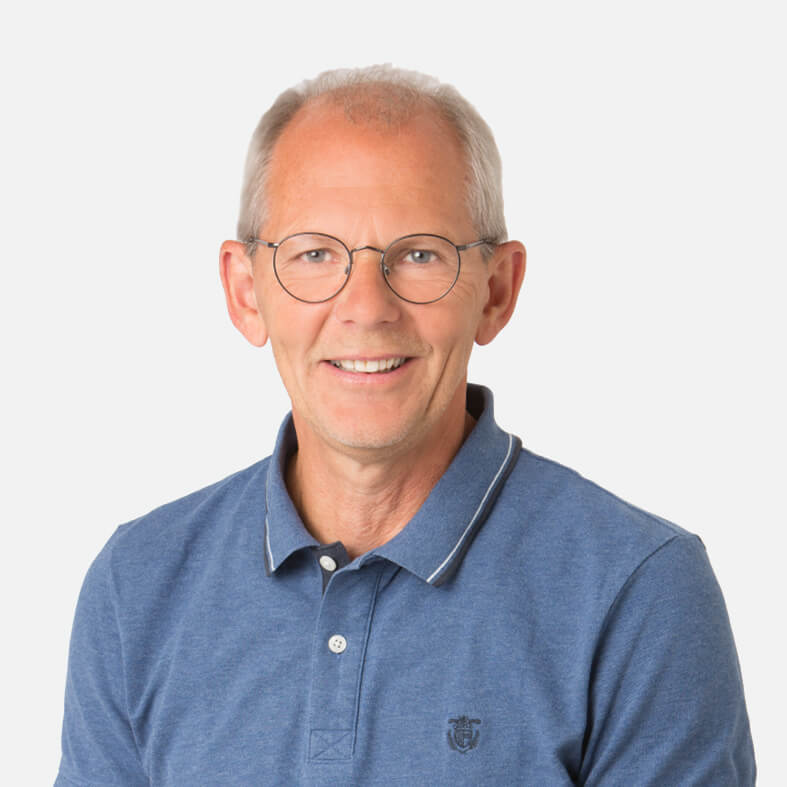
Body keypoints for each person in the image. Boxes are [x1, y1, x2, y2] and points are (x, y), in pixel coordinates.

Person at [56, 65, 755, 785]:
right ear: (244, 291)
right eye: (315, 254)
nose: (366, 308)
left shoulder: (637, 590)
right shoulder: (136, 585)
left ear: (496, 290)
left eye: (419, 254)